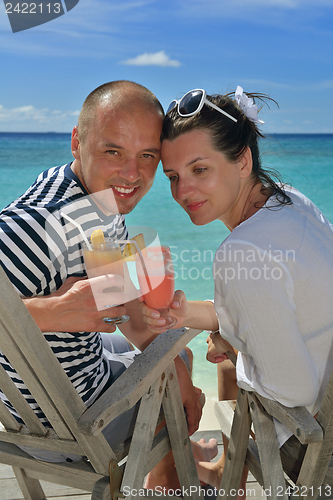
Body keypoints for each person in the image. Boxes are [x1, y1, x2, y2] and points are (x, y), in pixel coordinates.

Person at [0, 81, 217, 483]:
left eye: (147, 156)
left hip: (44, 388)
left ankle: (171, 467)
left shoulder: (92, 194)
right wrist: (48, 313)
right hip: (63, 424)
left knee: (172, 354)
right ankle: (167, 483)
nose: (132, 174)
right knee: (176, 361)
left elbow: (123, 302)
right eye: (113, 151)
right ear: (76, 141)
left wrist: (176, 370)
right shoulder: (39, 225)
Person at [140, 87, 333, 493]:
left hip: (317, 446)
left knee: (230, 363)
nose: (182, 192)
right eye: (173, 177)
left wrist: (234, 345)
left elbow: (292, 391)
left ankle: (225, 483)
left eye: (199, 169)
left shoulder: (242, 250)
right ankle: (229, 480)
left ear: (242, 160)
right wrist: (187, 314)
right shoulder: (290, 203)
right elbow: (276, 303)